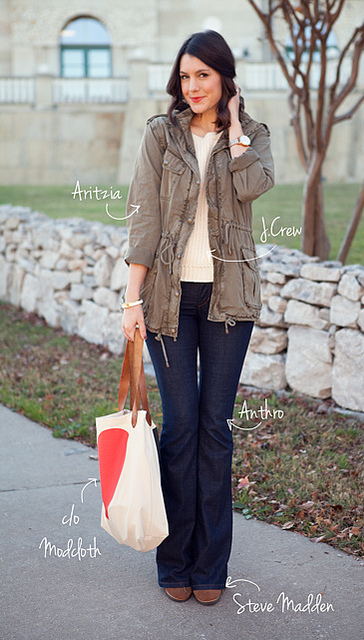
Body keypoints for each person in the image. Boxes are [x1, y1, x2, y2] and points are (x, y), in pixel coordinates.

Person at [122, 30, 274, 606]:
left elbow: (254, 186)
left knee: (215, 429)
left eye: (203, 75)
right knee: (181, 427)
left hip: (228, 300)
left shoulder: (253, 135)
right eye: (185, 76)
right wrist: (131, 300)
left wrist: (233, 131)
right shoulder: (161, 135)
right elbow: (143, 215)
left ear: (224, 78)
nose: (192, 86)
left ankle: (211, 568)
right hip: (167, 298)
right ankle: (175, 561)